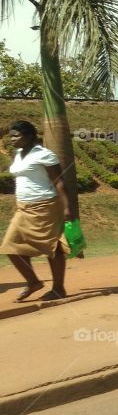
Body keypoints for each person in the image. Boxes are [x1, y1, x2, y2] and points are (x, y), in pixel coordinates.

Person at [1, 120, 73, 301]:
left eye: (16, 136)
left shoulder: (44, 154)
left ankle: (58, 288)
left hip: (45, 206)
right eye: (11, 136)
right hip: (23, 208)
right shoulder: (19, 154)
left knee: (52, 247)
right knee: (10, 246)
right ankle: (33, 282)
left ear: (29, 136)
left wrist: (67, 208)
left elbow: (59, 182)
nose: (12, 139)